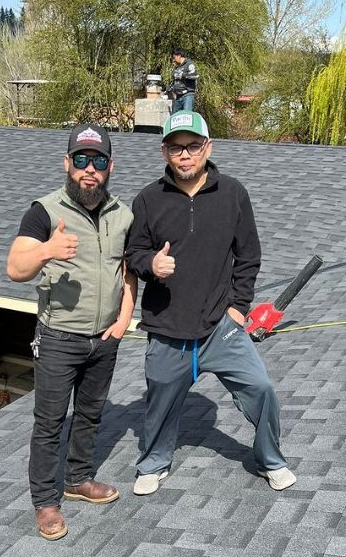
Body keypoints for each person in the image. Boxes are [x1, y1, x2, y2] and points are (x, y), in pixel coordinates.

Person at [125, 111, 296, 496]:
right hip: (168, 330)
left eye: (192, 146)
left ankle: (271, 458)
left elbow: (248, 255)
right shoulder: (148, 200)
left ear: (207, 147)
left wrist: (238, 308)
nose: (184, 155)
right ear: (164, 151)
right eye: (175, 147)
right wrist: (151, 264)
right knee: (159, 404)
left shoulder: (233, 194)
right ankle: (154, 463)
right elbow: (133, 253)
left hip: (222, 327)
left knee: (262, 389)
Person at [7, 124, 136, 539]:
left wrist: (122, 321)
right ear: (67, 164)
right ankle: (45, 501)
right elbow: (14, 269)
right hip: (59, 338)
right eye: (81, 160)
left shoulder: (124, 214)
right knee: (48, 423)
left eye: (98, 161)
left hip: (104, 338)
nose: (89, 170)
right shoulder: (44, 212)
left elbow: (129, 273)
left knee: (90, 414)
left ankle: (77, 479)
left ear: (110, 166)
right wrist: (46, 250)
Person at [168, 48, 199, 112]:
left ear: (179, 56)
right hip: (178, 96)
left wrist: (183, 75)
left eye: (174, 57)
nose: (174, 60)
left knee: (187, 116)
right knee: (175, 117)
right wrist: (169, 89)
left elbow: (195, 75)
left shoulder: (189, 64)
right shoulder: (176, 68)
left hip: (187, 95)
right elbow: (174, 81)